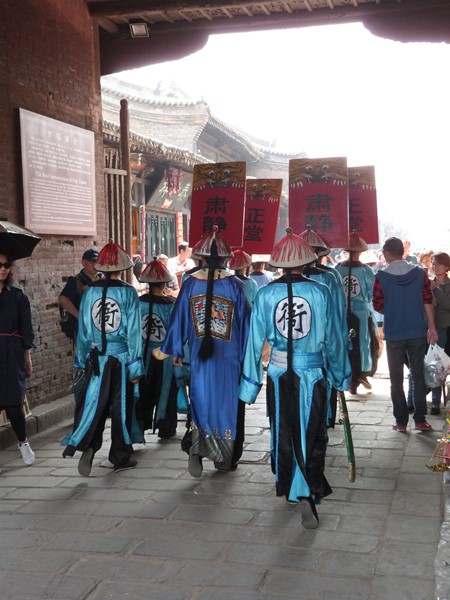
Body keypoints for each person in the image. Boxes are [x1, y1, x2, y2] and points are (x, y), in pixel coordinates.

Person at [239, 229, 350, 529]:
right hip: (312, 373)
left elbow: (253, 343)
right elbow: (335, 339)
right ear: (307, 261)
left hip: (277, 373)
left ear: (279, 264)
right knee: (313, 432)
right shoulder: (321, 291)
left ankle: (291, 487)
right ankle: (307, 493)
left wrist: (250, 384)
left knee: (284, 429)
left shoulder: (265, 293)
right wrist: (341, 375)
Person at [154, 227, 251, 476]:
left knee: (201, 401)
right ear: (225, 259)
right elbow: (246, 324)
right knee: (228, 406)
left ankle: (197, 449)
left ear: (201, 258)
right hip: (229, 360)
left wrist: (174, 349)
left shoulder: (189, 283)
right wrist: (247, 361)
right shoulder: (236, 285)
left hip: (199, 357)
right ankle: (225, 458)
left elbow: (179, 320)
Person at [62, 241, 144, 475]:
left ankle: (89, 446)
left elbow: (84, 331)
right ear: (121, 268)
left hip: (96, 360)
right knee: (121, 407)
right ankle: (120, 456)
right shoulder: (129, 293)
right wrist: (136, 367)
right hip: (121, 358)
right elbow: (134, 332)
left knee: (96, 403)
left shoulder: (89, 292)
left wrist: (80, 361)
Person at [372, 237, 438, 432]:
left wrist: (393, 308)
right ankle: (420, 419)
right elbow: (428, 300)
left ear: (386, 253)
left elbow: (378, 304)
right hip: (417, 331)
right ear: (402, 251)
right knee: (418, 376)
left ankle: (401, 421)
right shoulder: (419, 274)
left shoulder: (381, 277)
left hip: (394, 334)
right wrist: (431, 327)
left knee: (396, 380)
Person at [136, 258, 179, 439]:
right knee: (167, 391)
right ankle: (166, 427)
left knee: (144, 389)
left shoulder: (138, 303)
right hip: (166, 355)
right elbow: (177, 331)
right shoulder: (172, 304)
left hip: (143, 354)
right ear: (164, 283)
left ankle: (139, 425)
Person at [0, 252, 35, 466]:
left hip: (12, 352)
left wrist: (27, 357)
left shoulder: (18, 296)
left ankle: (23, 442)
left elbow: (26, 329)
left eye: (6, 265)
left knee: (14, 403)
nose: (3, 268)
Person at [335, 233, 378, 395]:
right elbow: (371, 293)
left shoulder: (337, 268)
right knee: (363, 344)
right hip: (361, 312)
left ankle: (348, 375)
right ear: (361, 252)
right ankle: (360, 374)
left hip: (342, 312)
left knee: (344, 343)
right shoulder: (367, 270)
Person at [58, 248, 101, 343]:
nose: (96, 264)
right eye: (93, 261)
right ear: (83, 262)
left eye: (98, 261)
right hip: (84, 328)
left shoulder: (102, 279)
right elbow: (63, 299)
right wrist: (80, 316)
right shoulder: (76, 281)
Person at [429, 252, 450, 414]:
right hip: (427, 328)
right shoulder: (428, 283)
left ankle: (435, 402)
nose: (434, 267)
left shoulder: (446, 285)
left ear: (446, 267)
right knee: (420, 363)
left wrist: (436, 289)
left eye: (438, 264)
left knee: (438, 365)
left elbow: (447, 305)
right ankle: (412, 399)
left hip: (443, 329)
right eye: (433, 264)